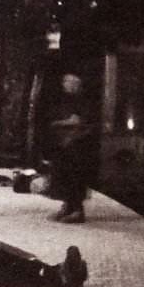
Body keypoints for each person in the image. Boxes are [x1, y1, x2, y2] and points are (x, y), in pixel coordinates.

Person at [47, 73, 95, 223]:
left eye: (68, 81)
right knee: (63, 174)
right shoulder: (64, 100)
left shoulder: (82, 101)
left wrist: (60, 124)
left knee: (75, 176)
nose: (64, 84)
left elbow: (78, 121)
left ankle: (77, 210)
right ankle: (68, 205)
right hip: (64, 143)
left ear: (76, 84)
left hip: (77, 144)